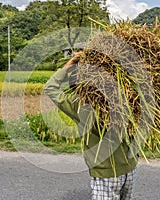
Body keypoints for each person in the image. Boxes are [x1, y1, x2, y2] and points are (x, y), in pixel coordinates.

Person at [44, 51, 137, 200]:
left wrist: (69, 64)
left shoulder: (78, 104)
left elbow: (50, 88)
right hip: (130, 167)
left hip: (105, 172)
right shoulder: (123, 97)